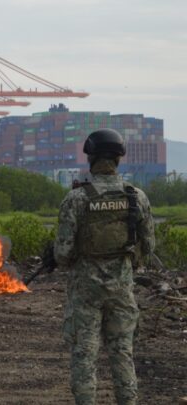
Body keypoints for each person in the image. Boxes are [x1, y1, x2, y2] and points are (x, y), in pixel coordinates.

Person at [55, 129, 155, 405]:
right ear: (118, 159)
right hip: (122, 289)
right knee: (123, 352)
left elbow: (62, 253)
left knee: (84, 356)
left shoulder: (76, 199)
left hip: (85, 291)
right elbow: (148, 247)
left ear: (91, 158)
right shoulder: (137, 197)